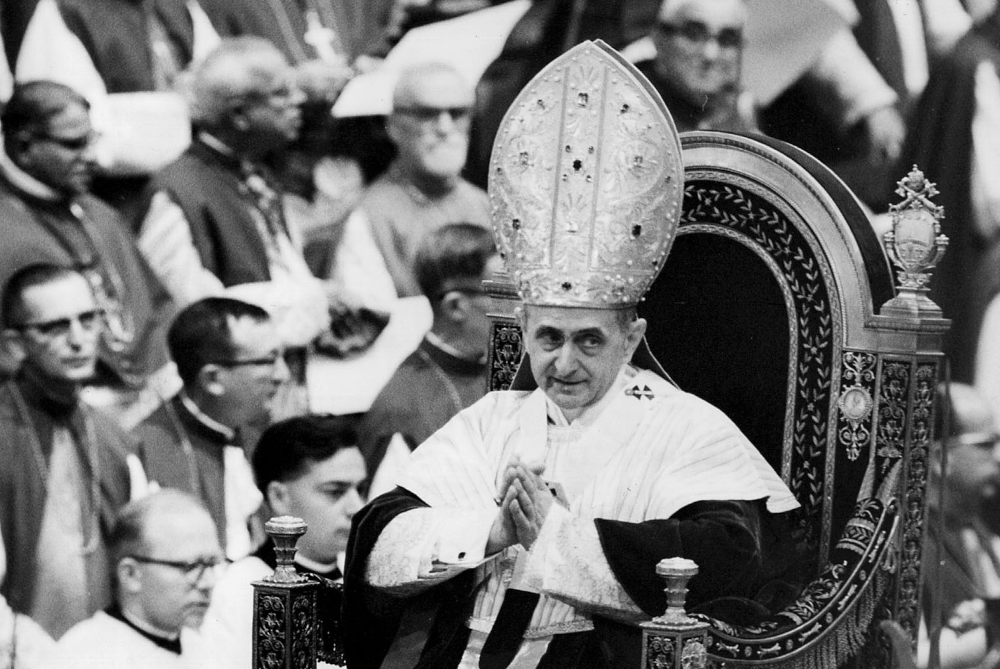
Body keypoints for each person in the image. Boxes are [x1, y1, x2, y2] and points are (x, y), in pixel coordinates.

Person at [343, 42, 799, 669]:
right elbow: (378, 538)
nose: (562, 365)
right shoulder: (494, 420)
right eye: (548, 339)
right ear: (524, 326)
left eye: (590, 341)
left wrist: (552, 538)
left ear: (632, 338)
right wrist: (491, 532)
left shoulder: (682, 425)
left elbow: (731, 560)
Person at [135, 37, 331, 357]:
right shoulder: (175, 192)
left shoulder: (259, 173)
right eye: (281, 93)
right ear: (240, 114)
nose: (299, 99)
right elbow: (195, 315)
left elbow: (291, 271)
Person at [0, 80, 178, 424]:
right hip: (52, 414)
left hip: (153, 397)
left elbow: (158, 304)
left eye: (92, 141)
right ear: (24, 147)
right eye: (73, 145)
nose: (92, 158)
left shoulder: (99, 213)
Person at [0, 264, 133, 640]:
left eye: (88, 320)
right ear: (15, 344)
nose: (79, 340)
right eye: (55, 327)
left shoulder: (112, 435)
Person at [194, 414, 366, 669]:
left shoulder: (366, 580)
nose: (357, 507)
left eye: (360, 490)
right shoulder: (239, 589)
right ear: (279, 497)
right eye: (335, 491)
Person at [14, 0, 219, 213]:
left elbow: (223, 91)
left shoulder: (178, 6)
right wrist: (182, 109)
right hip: (116, 200)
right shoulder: (66, 8)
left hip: (197, 187)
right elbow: (84, 133)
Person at [131, 297, 289, 561]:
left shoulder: (260, 437)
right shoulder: (144, 449)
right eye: (269, 360)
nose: (282, 374)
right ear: (213, 379)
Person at [358, 222, 500, 498]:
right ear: (456, 305)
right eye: (502, 295)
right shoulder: (401, 410)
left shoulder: (503, 372)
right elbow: (391, 528)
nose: (517, 309)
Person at [331, 62, 490, 307]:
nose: (445, 128)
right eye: (426, 114)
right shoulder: (369, 217)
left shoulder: (485, 204)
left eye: (458, 113)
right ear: (393, 125)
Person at [48, 489, 225, 669]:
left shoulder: (204, 644)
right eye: (191, 566)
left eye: (212, 563)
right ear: (130, 575)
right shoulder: (83, 658)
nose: (208, 583)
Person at [918, 383, 1000, 669]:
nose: (998, 459)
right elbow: (904, 660)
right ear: (942, 460)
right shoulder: (909, 543)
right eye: (987, 445)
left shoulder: (978, 529)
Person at [640, 0, 756, 132]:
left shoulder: (741, 110)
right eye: (694, 34)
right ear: (659, 37)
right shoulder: (632, 101)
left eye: (727, 39)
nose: (710, 54)